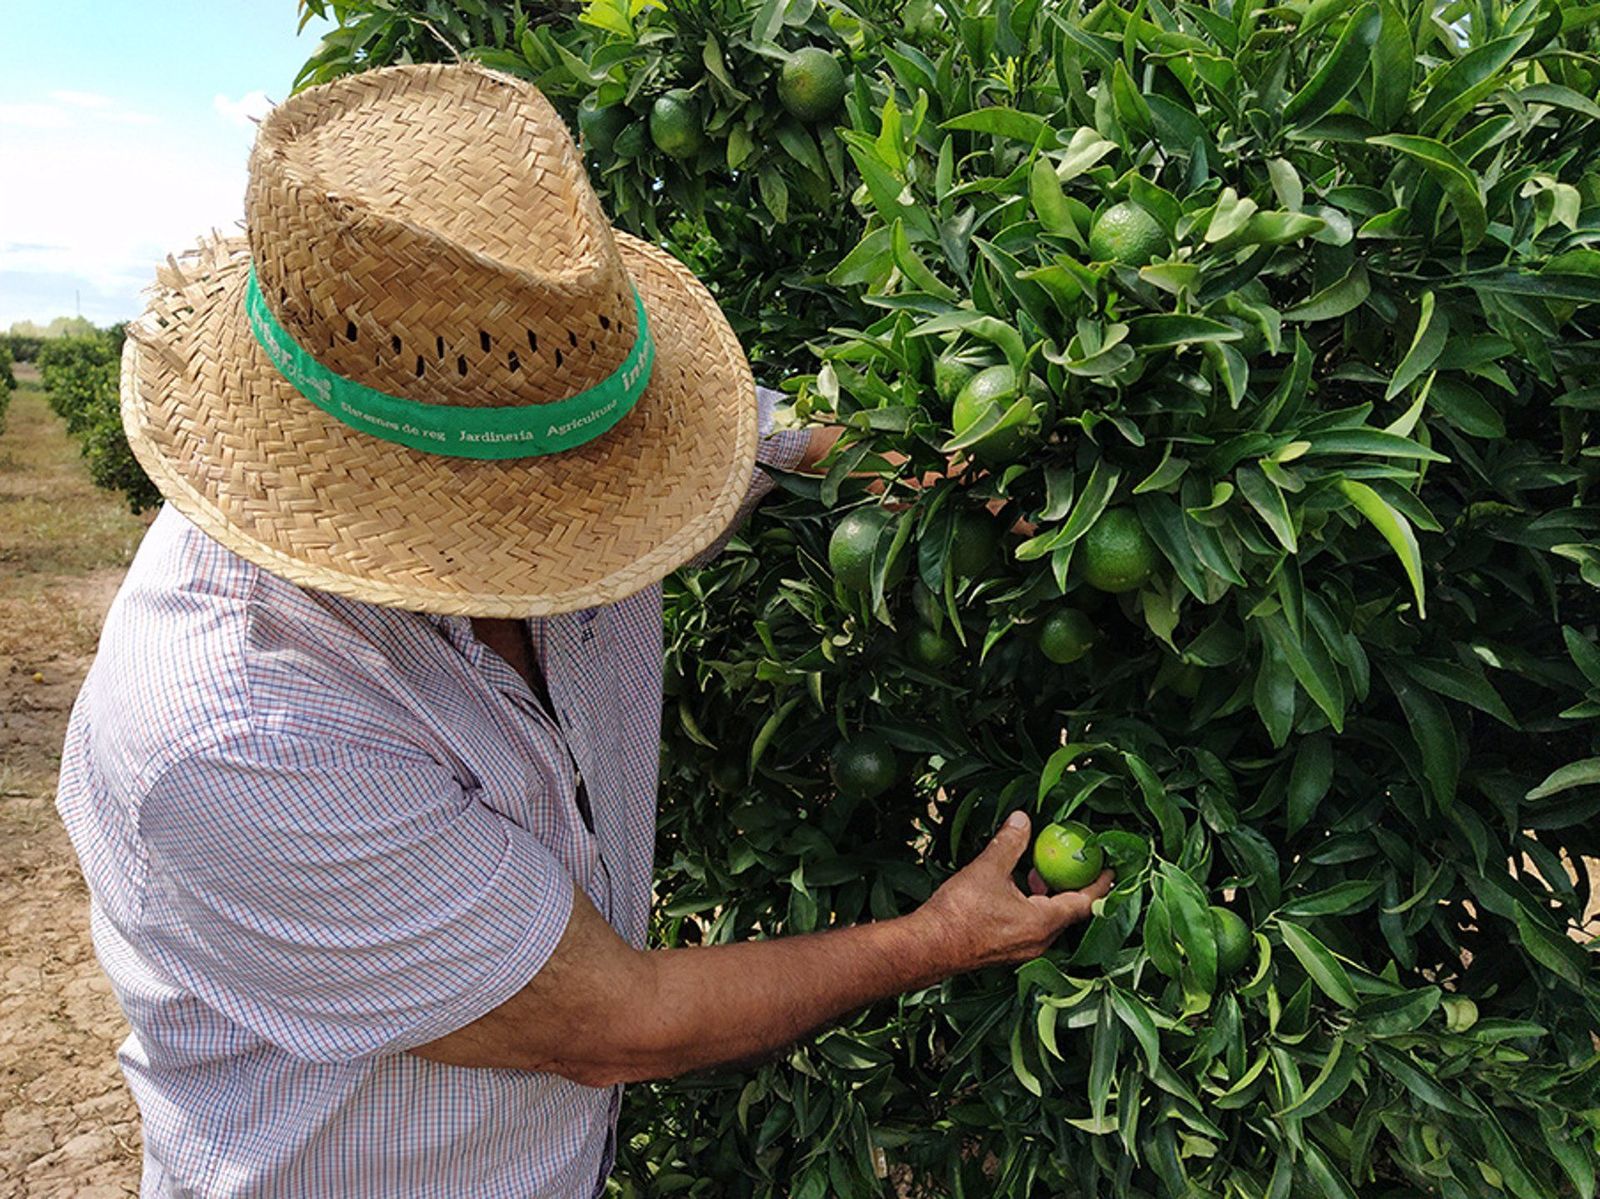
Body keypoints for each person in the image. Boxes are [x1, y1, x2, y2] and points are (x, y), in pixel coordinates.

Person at [56, 64, 1112, 1198]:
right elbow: (617, 1018)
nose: (585, 516)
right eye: (542, 496)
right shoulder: (236, 735)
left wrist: (911, 464)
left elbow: (759, 446)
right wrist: (935, 939)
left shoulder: (553, 396)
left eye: (599, 472)